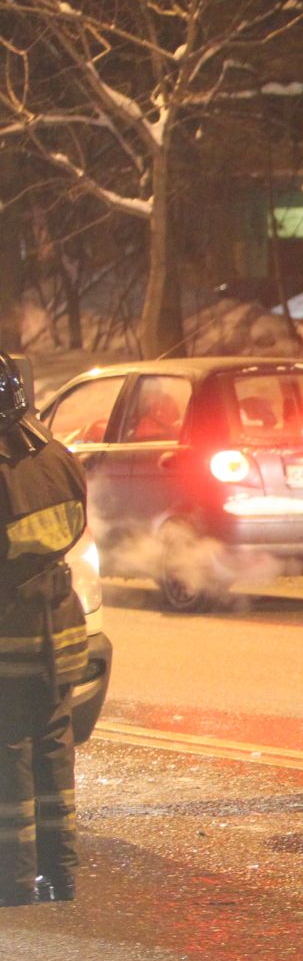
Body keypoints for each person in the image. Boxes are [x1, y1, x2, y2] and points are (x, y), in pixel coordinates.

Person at [0, 351, 89, 906]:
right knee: (54, 749)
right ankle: (62, 873)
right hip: (62, 633)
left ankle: (12, 881)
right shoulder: (56, 454)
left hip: (10, 640)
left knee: (9, 758)